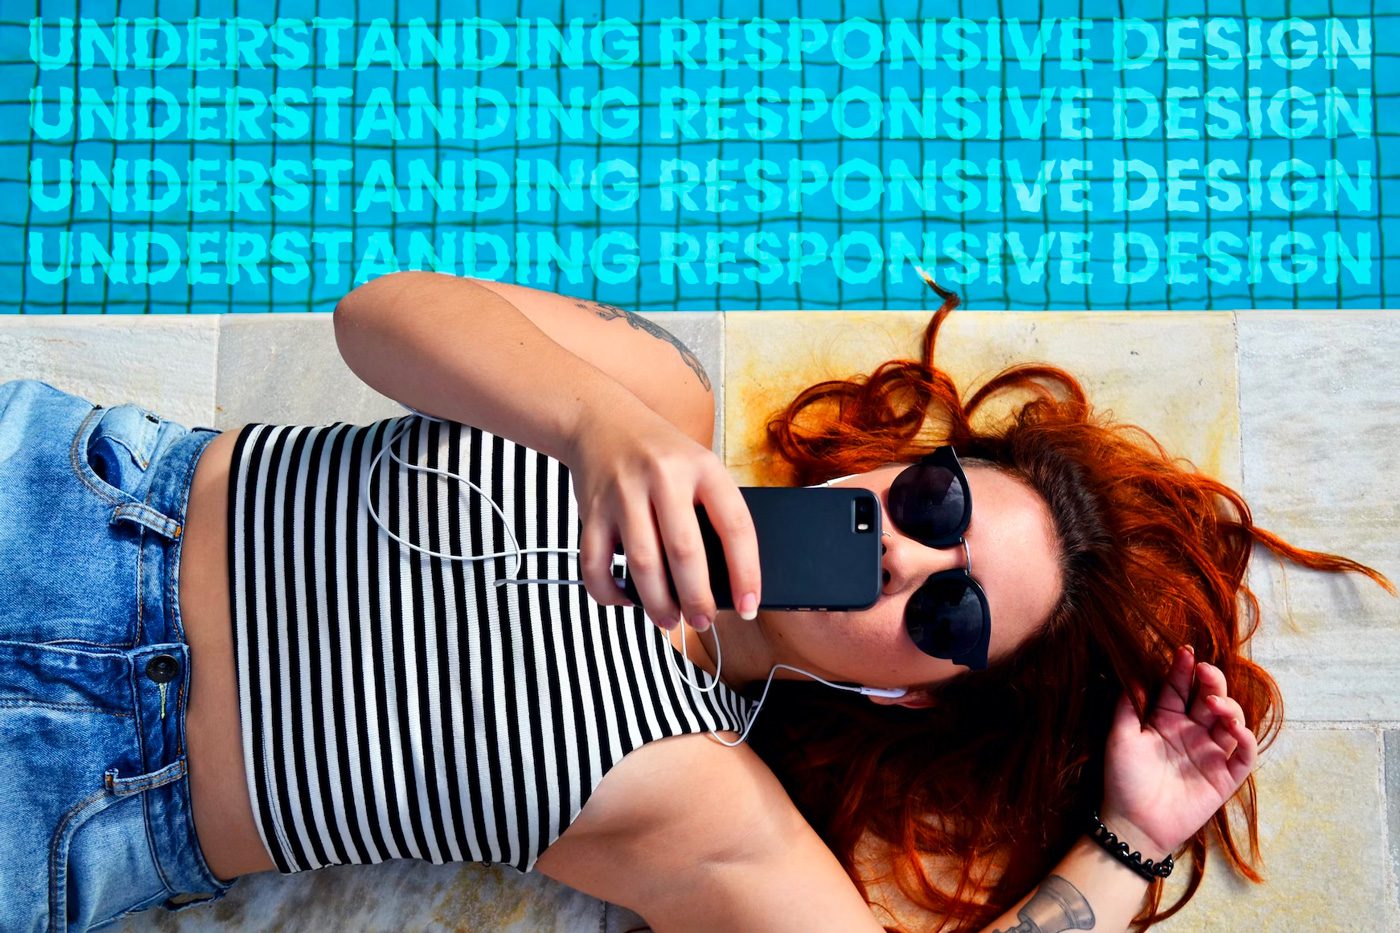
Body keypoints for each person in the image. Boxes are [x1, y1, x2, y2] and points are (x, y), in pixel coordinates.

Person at [0, 270, 1390, 933]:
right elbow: (380, 318)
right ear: (907, 460)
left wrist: (1126, 841)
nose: (910, 557)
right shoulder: (656, 399)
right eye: (941, 506)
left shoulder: (713, 803)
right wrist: (601, 428)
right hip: (73, 502)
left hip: (77, 795)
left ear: (913, 688)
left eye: (953, 617)